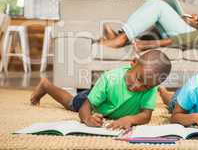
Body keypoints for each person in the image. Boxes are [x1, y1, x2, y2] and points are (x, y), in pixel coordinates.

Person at [30, 50, 172, 129]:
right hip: (98, 100)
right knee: (72, 102)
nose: (138, 87)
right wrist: (87, 118)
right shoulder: (109, 79)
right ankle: (46, 85)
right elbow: (86, 108)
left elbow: (146, 116)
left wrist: (130, 119)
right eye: (138, 78)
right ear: (133, 63)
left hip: (109, 103)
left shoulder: (150, 88)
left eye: (146, 87)